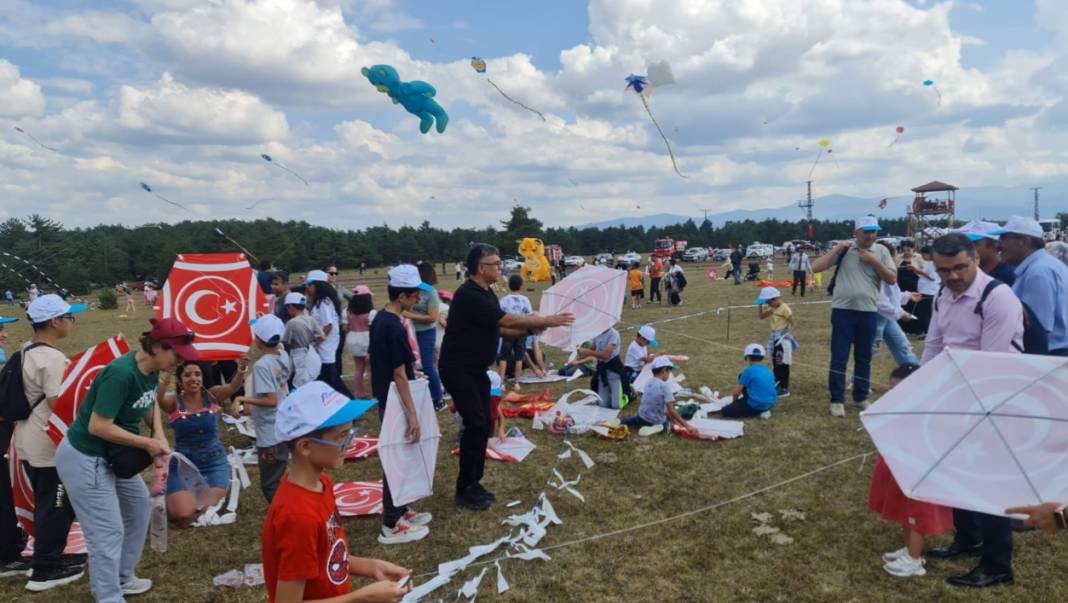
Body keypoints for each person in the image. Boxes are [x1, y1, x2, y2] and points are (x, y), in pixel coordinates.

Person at [56, 318, 197, 601]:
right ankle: (108, 595)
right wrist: (147, 443)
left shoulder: (151, 369)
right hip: (86, 458)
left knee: (138, 509)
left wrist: (158, 432)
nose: (180, 362)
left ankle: (121, 577)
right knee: (107, 531)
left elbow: (150, 404)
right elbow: (98, 426)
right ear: (157, 346)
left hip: (112, 457)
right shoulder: (121, 374)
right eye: (177, 355)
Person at [920, 233, 1023, 588]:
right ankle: (969, 537)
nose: (951, 277)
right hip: (956, 397)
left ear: (976, 260)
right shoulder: (942, 298)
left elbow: (989, 367)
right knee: (957, 473)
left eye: (959, 267)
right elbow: (933, 347)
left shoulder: (998, 298)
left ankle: (997, 564)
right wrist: (921, 393)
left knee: (990, 483)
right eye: (942, 270)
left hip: (996, 400)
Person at [439, 243, 572, 511]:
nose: (501, 268)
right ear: (481, 268)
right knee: (475, 424)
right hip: (458, 369)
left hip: (476, 370)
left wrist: (533, 331)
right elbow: (508, 321)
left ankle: (474, 483)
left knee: (484, 422)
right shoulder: (469, 295)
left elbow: (501, 331)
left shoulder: (487, 294)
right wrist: (545, 319)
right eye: (496, 264)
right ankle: (464, 488)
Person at [263, 381, 411, 602]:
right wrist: (363, 597)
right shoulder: (297, 517)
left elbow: (326, 556)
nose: (351, 443)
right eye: (342, 437)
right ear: (305, 446)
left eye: (350, 434)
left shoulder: (322, 482)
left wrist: (371, 567)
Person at [13, 295, 84, 590]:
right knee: (55, 506)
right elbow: (60, 404)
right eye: (69, 318)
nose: (71, 323)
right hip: (48, 444)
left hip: (29, 439)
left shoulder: (26, 350)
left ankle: (49, 557)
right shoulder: (52, 359)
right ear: (55, 322)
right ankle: (44, 569)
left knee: (49, 503)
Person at [868, 363, 953, 578]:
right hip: (901, 470)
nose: (894, 394)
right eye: (891, 389)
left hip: (920, 474)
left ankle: (915, 560)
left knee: (916, 516)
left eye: (900, 390)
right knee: (903, 513)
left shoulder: (929, 415)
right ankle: (908, 550)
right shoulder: (900, 409)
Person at [370, 265, 434, 544]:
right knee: (396, 457)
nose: (418, 300)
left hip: (392, 395)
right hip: (395, 401)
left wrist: (413, 374)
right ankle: (391, 523)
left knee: (403, 454)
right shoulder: (393, 326)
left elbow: (398, 367)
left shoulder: (382, 318)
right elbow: (397, 374)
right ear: (403, 296)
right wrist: (412, 414)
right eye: (415, 295)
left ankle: (401, 508)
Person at [810, 216, 897, 417]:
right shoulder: (845, 250)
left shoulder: (882, 251)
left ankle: (860, 396)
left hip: (868, 311)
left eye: (874, 231)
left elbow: (892, 279)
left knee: (864, 357)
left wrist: (873, 260)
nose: (870, 235)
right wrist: (836, 249)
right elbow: (815, 267)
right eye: (866, 231)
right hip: (843, 311)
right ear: (855, 233)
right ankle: (837, 399)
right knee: (839, 357)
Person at [158, 359, 246, 526]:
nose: (193, 379)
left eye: (197, 374)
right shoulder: (177, 403)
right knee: (183, 515)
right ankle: (181, 496)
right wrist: (168, 371)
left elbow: (233, 386)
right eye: (187, 375)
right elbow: (157, 397)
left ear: (203, 377)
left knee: (203, 507)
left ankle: (194, 497)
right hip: (183, 466)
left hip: (214, 463)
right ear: (180, 380)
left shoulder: (211, 396)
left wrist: (242, 368)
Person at [234, 315, 291, 503]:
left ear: (257, 340)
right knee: (281, 477)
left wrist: (242, 398)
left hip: (270, 434)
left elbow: (270, 400)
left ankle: (285, 519)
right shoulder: (282, 355)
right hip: (283, 425)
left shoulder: (262, 366)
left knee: (270, 484)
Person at [994, 216, 1068, 356]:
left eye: (1003, 239)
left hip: (1049, 355)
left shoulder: (1039, 273)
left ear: (1024, 242)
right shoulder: (1043, 265)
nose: (999, 246)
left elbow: (1038, 328)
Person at [617, 356, 695, 436]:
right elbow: (671, 411)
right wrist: (687, 426)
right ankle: (658, 427)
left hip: (642, 416)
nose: (669, 375)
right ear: (664, 370)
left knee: (634, 420)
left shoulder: (648, 382)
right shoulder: (665, 387)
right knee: (667, 425)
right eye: (669, 372)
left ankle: (619, 422)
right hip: (655, 420)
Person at [873, 243, 922, 368]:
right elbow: (880, 303)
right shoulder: (874, 275)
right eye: (894, 256)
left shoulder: (890, 274)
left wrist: (908, 296)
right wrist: (901, 314)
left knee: (903, 347)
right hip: (874, 318)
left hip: (888, 319)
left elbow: (892, 296)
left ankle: (914, 377)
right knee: (870, 352)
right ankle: (858, 383)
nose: (896, 259)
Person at [305, 270, 352, 397]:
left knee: (331, 378)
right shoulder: (320, 301)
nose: (308, 288)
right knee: (327, 378)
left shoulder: (324, 302)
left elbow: (328, 325)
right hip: (324, 344)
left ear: (318, 285)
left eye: (310, 284)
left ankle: (349, 400)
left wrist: (317, 342)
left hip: (326, 345)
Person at [404, 264, 444, 411]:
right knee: (411, 365)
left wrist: (409, 315)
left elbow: (432, 317)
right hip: (409, 332)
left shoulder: (430, 292)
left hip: (425, 333)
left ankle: (438, 398)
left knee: (427, 367)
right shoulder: (410, 291)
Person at [715, 344, 777, 419]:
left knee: (725, 411)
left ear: (747, 357)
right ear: (762, 357)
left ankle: (757, 413)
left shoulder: (748, 371)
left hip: (756, 405)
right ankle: (763, 410)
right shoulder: (767, 370)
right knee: (742, 377)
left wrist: (734, 403)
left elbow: (736, 393)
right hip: (770, 403)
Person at [754, 287, 796, 397]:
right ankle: (777, 384)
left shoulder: (784, 309)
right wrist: (760, 304)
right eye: (766, 302)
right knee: (776, 363)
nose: (769, 304)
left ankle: (784, 388)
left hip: (781, 340)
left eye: (769, 302)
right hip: (774, 338)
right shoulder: (773, 308)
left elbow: (793, 323)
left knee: (782, 363)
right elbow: (761, 317)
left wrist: (789, 333)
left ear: (775, 299)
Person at [578, 327, 631, 409]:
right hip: (602, 372)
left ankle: (630, 394)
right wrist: (581, 348)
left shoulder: (614, 334)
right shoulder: (597, 333)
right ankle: (612, 394)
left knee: (616, 406)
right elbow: (593, 349)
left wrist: (586, 351)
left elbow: (606, 356)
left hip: (614, 371)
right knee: (603, 405)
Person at [497, 275, 534, 390]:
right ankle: (517, 383)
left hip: (508, 331)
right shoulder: (525, 300)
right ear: (521, 286)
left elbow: (499, 316)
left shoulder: (503, 300)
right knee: (519, 357)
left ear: (509, 286)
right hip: (521, 332)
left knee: (504, 357)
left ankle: (501, 383)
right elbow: (530, 315)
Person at [281, 292, 323, 389]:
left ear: (291, 306)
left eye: (287, 307)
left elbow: (285, 341)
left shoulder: (291, 323)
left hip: (298, 355)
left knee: (299, 383)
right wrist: (314, 343)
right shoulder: (310, 319)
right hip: (310, 351)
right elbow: (322, 337)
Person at [958, 221, 1016, 285]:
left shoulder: (1010, 276)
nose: (966, 249)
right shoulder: (965, 274)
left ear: (995, 244)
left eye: (974, 244)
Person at [345, 286, 375, 399]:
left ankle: (358, 392)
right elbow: (373, 329)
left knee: (358, 368)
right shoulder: (371, 312)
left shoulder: (347, 311)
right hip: (367, 340)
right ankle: (373, 393)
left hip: (353, 339)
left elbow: (345, 328)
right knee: (370, 369)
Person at [912, 245, 941, 335]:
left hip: (929, 291)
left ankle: (928, 332)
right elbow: (925, 275)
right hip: (924, 290)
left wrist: (919, 271)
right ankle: (924, 331)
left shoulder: (935, 264)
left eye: (924, 254)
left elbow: (933, 277)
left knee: (925, 313)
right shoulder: (929, 263)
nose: (923, 257)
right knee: (922, 313)